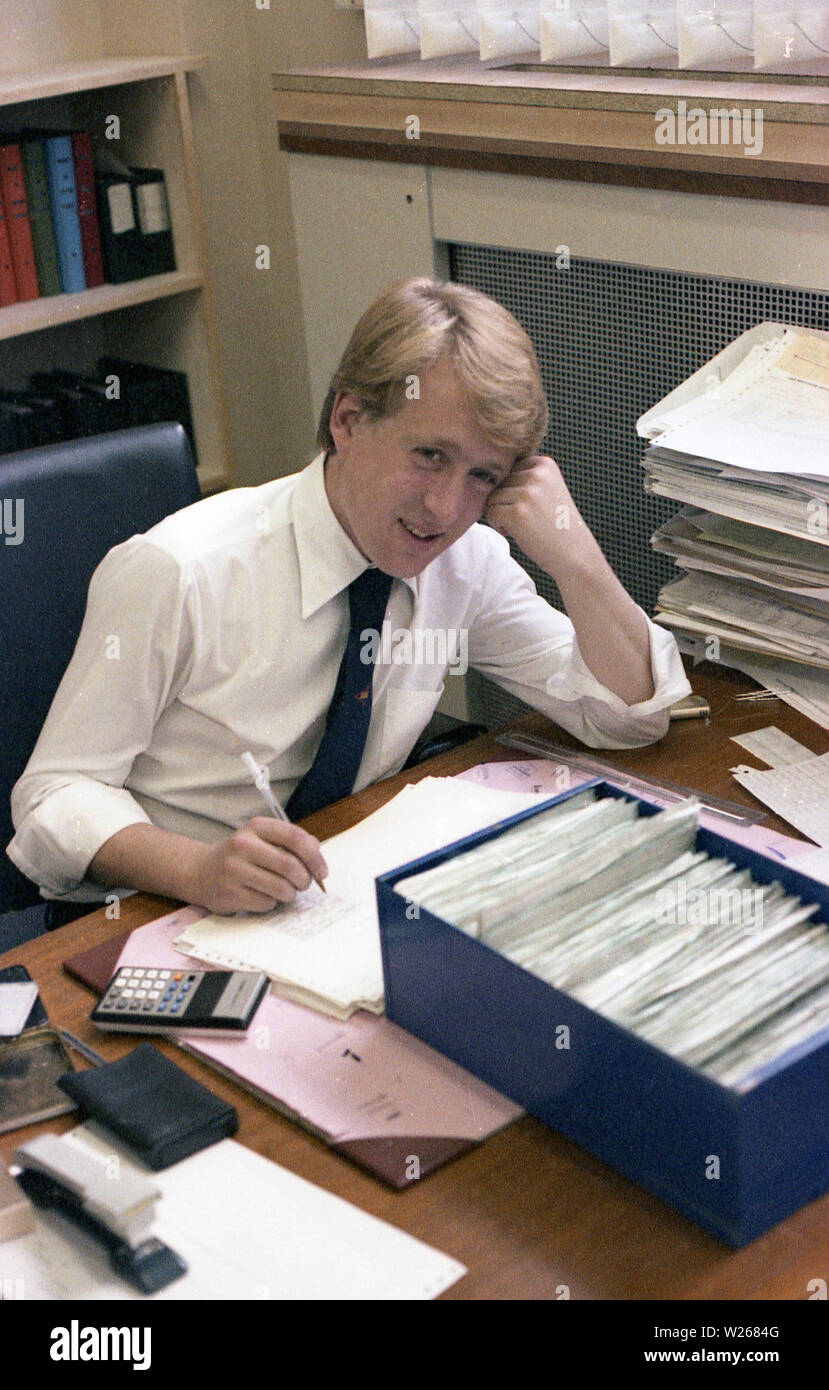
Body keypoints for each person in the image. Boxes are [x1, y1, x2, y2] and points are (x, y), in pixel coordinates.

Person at [8, 277, 691, 920]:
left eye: (483, 475)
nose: (445, 507)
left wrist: (577, 559)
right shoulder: (181, 570)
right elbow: (52, 797)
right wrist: (198, 869)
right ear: (348, 418)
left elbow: (626, 718)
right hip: (156, 905)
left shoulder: (465, 561)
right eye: (428, 455)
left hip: (327, 900)